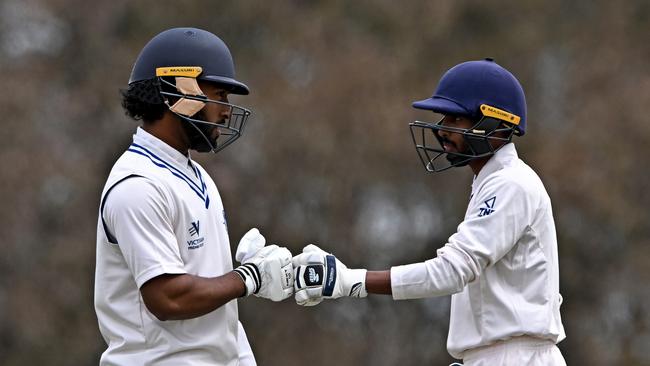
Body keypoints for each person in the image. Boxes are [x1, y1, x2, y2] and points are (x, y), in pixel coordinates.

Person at [292, 58, 567, 366]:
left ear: (494, 124)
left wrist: (350, 281)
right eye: (443, 118)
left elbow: (451, 271)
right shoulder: (492, 182)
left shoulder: (511, 185)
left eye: (455, 119)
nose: (441, 130)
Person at [94, 27, 293, 366]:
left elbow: (217, 324)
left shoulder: (196, 176)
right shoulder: (138, 185)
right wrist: (248, 278)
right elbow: (168, 298)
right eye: (219, 95)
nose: (226, 110)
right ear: (177, 91)